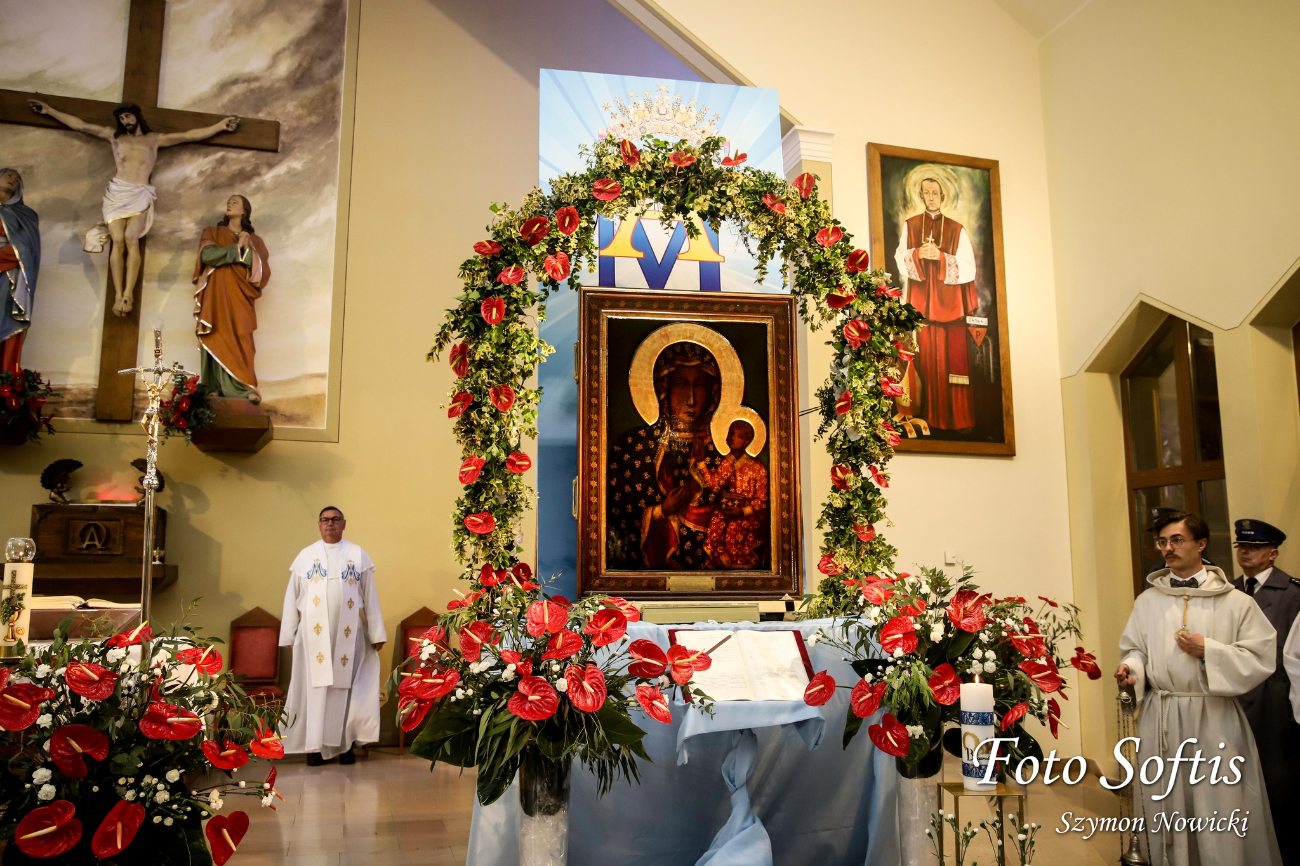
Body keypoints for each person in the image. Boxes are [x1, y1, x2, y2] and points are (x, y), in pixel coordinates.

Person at [1115, 511, 1280, 865]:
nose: (1168, 549)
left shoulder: (1236, 602)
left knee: (1218, 801)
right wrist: (1132, 671)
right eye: (1163, 542)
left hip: (1214, 717)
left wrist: (1211, 651)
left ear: (1201, 544)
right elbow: (1135, 649)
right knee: (1164, 798)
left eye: (1177, 540)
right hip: (1161, 714)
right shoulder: (1148, 601)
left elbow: (1262, 656)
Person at [28, 99, 238, 316]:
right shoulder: (115, 137)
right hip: (117, 192)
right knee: (117, 242)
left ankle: (129, 293)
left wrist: (219, 126)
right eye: (121, 118)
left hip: (139, 193)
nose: (124, 121)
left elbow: (189, 135)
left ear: (137, 116)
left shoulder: (154, 139)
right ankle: (118, 294)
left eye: (127, 116)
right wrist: (50, 111)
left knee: (131, 240)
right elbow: (80, 125)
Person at [279, 506, 386, 766]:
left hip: (348, 636)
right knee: (315, 690)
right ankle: (313, 747)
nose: (330, 524)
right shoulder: (306, 556)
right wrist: (289, 634)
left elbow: (370, 596)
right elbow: (292, 596)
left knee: (345, 689)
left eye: (335, 520)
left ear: (344, 524)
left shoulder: (357, 554)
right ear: (319, 524)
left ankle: (345, 745)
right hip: (312, 638)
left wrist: (376, 632)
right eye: (325, 520)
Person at [607, 342, 726, 570]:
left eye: (700, 385)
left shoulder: (721, 453)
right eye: (681, 385)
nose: (691, 399)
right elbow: (615, 519)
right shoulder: (632, 448)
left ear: (712, 392)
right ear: (664, 388)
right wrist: (661, 511)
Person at [1230, 519, 1300, 865]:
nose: (1245, 553)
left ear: (1273, 553)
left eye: (1254, 547)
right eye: (1241, 547)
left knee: (1278, 783)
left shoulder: (1293, 593)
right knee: (1236, 782)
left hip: (1277, 700)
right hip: (1236, 698)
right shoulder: (1229, 590)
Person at [893, 176, 979, 432]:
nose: (930, 197)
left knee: (952, 367)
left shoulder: (956, 228)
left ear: (943, 196)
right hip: (922, 307)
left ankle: (957, 421)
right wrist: (917, 254)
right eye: (926, 193)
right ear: (920, 196)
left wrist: (941, 258)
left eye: (935, 193)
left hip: (950, 309)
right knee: (926, 363)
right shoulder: (911, 225)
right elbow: (899, 258)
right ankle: (927, 416)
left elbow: (970, 268)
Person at [193, 195, 271, 403]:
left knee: (241, 336)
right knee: (216, 333)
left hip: (240, 297)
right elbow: (207, 256)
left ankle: (245, 387)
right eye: (228, 201)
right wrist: (237, 250)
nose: (229, 204)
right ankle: (213, 386)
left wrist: (247, 249)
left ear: (244, 210)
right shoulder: (213, 232)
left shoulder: (256, 241)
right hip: (216, 296)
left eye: (235, 202)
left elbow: (262, 273)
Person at [698, 419, 770, 569]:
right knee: (717, 519)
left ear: (747, 441)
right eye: (731, 434)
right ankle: (718, 560)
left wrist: (743, 511)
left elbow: (762, 500)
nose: (733, 438)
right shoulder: (727, 462)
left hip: (751, 515)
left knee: (733, 527)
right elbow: (715, 485)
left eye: (739, 436)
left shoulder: (757, 467)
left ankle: (735, 561)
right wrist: (701, 463)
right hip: (731, 509)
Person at [0, 169, 39, 372]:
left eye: (17, 178)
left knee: (7, 320)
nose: (13, 179)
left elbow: (25, 248)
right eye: (8, 175)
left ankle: (6, 379)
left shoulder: (27, 215)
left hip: (9, 279)